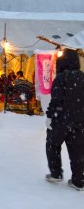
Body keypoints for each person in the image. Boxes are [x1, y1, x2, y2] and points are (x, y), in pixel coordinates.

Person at [45, 49, 84, 191]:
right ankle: (79, 181)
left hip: (61, 120)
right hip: (80, 120)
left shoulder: (62, 78)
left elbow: (56, 101)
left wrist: (50, 116)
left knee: (52, 144)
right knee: (78, 151)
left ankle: (55, 173)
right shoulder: (82, 77)